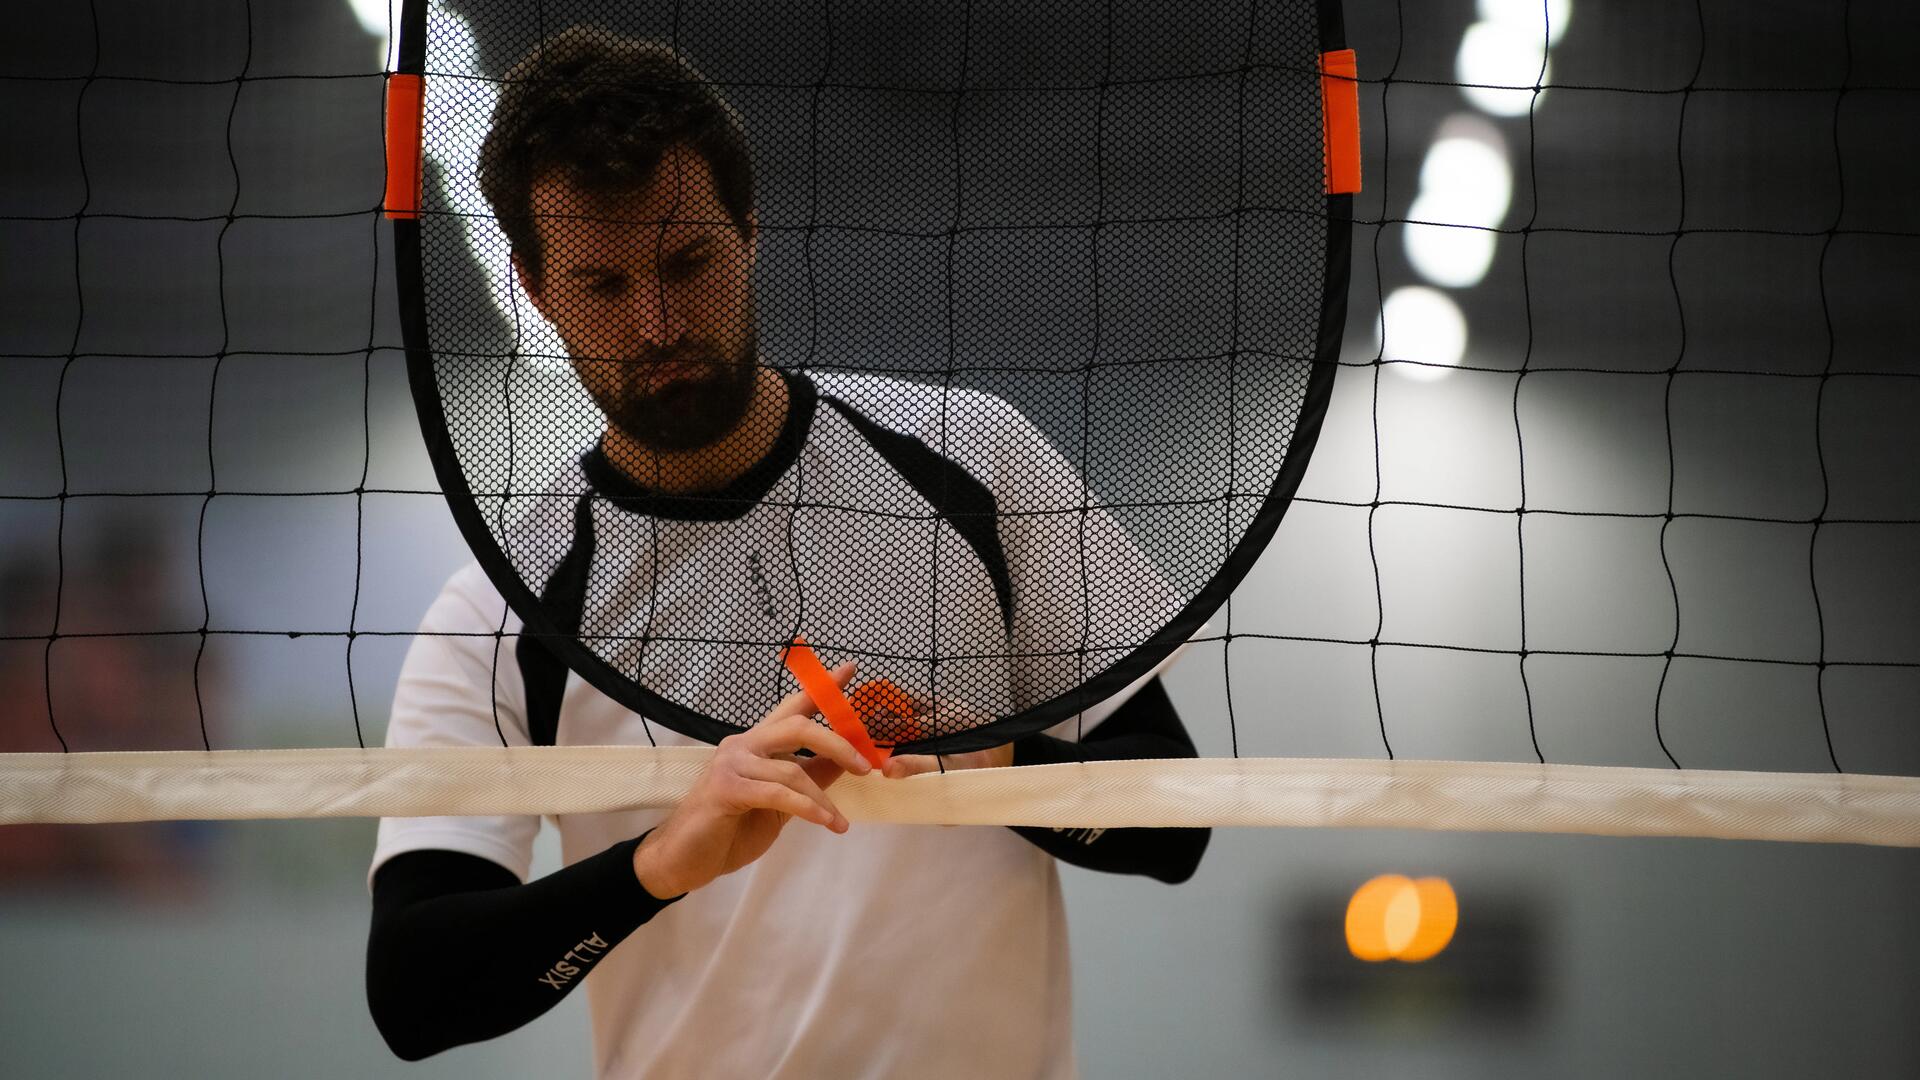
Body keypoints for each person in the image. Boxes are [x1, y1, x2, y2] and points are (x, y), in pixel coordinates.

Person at [367, 27, 1208, 1078]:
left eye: (689, 263)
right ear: (537, 292)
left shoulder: (975, 458)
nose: (660, 322)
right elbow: (412, 993)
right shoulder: (503, 611)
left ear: (751, 232)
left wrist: (1004, 763)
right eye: (605, 286)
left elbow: (1175, 827)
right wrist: (661, 864)